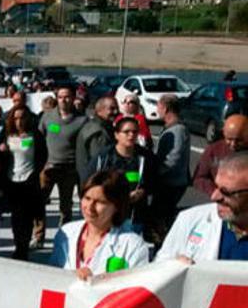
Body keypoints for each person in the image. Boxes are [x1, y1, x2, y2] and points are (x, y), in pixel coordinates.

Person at [49, 170, 150, 280]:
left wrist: (97, 282)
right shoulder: (66, 233)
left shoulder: (132, 246)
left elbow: (138, 291)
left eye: (100, 202)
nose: (90, 207)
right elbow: (52, 276)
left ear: (117, 206)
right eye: (87, 198)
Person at [157, 151, 248, 262]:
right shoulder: (189, 219)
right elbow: (160, 264)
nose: (215, 197)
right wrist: (173, 266)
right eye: (216, 186)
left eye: (226, 192)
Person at [36, 87, 88, 245]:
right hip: (48, 167)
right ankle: (38, 236)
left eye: (67, 97)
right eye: (60, 97)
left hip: (69, 169)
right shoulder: (47, 117)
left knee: (66, 207)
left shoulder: (82, 120)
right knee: (39, 202)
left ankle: (63, 237)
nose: (64, 100)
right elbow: (39, 139)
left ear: (73, 98)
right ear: (56, 98)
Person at [89, 117, 158, 235]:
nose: (131, 135)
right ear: (116, 135)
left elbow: (155, 182)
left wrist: (143, 191)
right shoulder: (104, 157)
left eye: (135, 132)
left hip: (134, 216)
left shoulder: (146, 157)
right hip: (108, 215)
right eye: (126, 132)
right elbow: (91, 184)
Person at [4, 106, 47, 259]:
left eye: (22, 117)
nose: (19, 121)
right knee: (16, 217)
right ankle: (18, 244)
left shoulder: (35, 135)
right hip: (12, 181)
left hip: (28, 181)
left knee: (27, 217)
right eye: (16, 118)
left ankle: (23, 248)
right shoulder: (7, 135)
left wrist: (35, 173)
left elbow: (43, 155)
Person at [150, 94, 191, 242]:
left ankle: (163, 246)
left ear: (166, 108)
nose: (157, 110)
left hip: (171, 183)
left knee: (161, 218)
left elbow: (174, 157)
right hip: (168, 182)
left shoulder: (178, 130)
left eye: (158, 107)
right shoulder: (170, 128)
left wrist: (157, 173)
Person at [193, 114, 248, 198]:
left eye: (239, 140)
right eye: (229, 139)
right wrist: (213, 191)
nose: (233, 144)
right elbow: (199, 178)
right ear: (224, 133)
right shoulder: (214, 150)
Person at [76, 96, 117, 184]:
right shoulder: (97, 131)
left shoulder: (101, 126)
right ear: (99, 111)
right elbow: (99, 160)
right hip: (95, 181)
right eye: (111, 109)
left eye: (117, 108)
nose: (116, 112)